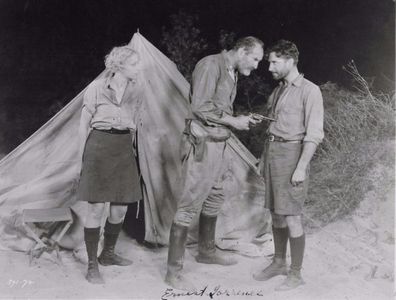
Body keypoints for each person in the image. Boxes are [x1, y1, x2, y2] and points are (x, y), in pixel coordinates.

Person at [165, 36, 265, 291]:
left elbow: (219, 108)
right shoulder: (211, 65)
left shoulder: (232, 71)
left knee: (216, 194)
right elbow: (200, 106)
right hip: (204, 144)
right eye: (254, 59)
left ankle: (206, 251)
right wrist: (234, 122)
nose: (256, 66)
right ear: (242, 50)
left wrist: (240, 119)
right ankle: (173, 272)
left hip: (220, 144)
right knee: (190, 202)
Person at [253, 40, 324, 291]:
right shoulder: (279, 90)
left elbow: (314, 134)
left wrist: (301, 167)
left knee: (292, 216)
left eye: (274, 62)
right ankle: (279, 262)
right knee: (276, 212)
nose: (269, 67)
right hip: (273, 153)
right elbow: (271, 127)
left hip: (293, 155)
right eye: (269, 62)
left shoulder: (310, 90)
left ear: (290, 61)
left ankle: (296, 273)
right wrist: (263, 157)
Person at [77, 46, 143, 284]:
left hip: (123, 148)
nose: (139, 69)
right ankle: (92, 264)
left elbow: (135, 123)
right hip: (99, 146)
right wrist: (81, 159)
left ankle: (108, 254)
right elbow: (83, 125)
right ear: (120, 65)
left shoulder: (137, 90)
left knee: (119, 209)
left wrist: (133, 152)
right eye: (135, 64)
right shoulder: (96, 88)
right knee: (95, 208)